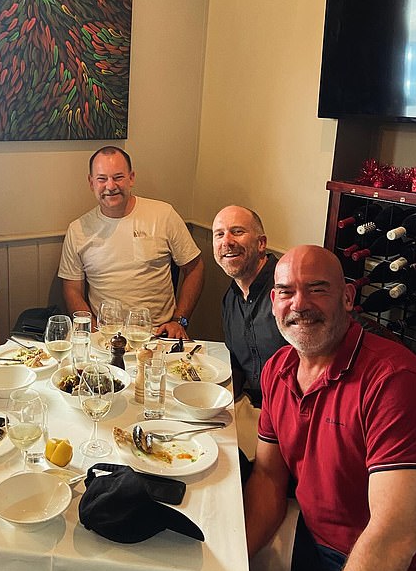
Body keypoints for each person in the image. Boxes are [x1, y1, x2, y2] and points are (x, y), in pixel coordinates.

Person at [245, 245, 416, 571]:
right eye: (286, 291)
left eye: (317, 289)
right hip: (312, 548)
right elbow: (270, 477)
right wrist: (232, 562)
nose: (299, 304)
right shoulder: (279, 369)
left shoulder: (393, 379)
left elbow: (395, 535)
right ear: (273, 301)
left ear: (347, 298)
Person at [59, 146, 204, 338]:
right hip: (105, 336)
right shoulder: (77, 229)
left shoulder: (163, 214)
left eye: (118, 177)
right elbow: (72, 288)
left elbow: (195, 267)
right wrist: (91, 329)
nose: (110, 186)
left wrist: (179, 321)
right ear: (91, 182)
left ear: (131, 178)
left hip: (159, 334)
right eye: (102, 179)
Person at [212, 205, 286, 464]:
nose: (227, 242)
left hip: (293, 418)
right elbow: (238, 365)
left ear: (261, 243)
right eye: (219, 234)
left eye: (237, 232)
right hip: (252, 408)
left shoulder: (287, 289)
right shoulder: (230, 298)